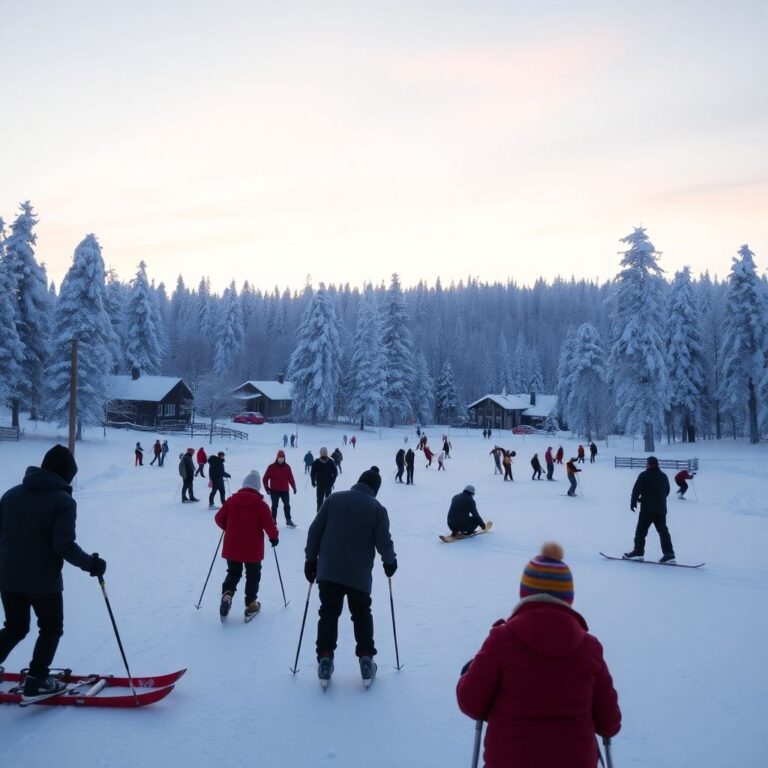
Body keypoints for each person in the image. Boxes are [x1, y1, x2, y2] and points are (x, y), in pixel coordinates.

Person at [456, 542, 621, 768]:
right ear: (568, 598)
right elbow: (610, 723)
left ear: (524, 594)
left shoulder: (501, 641)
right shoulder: (589, 648)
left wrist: (468, 675)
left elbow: (470, 702)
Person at [0, 445, 107, 699]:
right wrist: (91, 564)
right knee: (50, 628)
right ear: (65, 474)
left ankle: (36, 677)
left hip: (7, 577)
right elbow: (63, 545)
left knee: (15, 627)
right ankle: (37, 679)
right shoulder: (63, 501)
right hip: (43, 581)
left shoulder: (10, 495)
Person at [304, 467, 397, 686]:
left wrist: (311, 559)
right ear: (375, 489)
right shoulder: (377, 509)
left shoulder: (334, 499)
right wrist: (390, 562)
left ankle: (325, 658)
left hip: (329, 571)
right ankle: (366, 658)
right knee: (362, 614)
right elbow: (384, 541)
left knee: (328, 613)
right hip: (359, 576)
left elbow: (314, 530)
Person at [215, 470, 279, 622]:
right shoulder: (261, 505)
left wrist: (227, 526)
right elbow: (270, 526)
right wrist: (274, 538)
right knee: (253, 575)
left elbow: (218, 518)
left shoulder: (231, 501)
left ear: (244, 485)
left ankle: (227, 595)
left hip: (232, 546)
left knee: (233, 572)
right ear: (257, 487)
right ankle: (251, 604)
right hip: (253, 549)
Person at [624, 456, 675, 563]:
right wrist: (657, 499)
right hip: (661, 510)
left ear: (648, 464)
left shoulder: (644, 475)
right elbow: (666, 491)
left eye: (646, 463)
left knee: (641, 531)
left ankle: (638, 553)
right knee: (663, 531)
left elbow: (636, 490)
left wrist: (633, 502)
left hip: (647, 510)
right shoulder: (664, 476)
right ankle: (669, 554)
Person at [263, 449, 297, 528]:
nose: (281, 459)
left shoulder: (287, 467)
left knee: (287, 505)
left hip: (285, 490)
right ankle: (273, 521)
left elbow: (291, 478)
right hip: (274, 491)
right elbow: (265, 479)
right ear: (277, 458)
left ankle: (288, 520)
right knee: (274, 506)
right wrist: (267, 489)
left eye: (282, 458)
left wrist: (294, 487)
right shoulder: (271, 467)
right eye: (279, 458)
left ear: (284, 458)